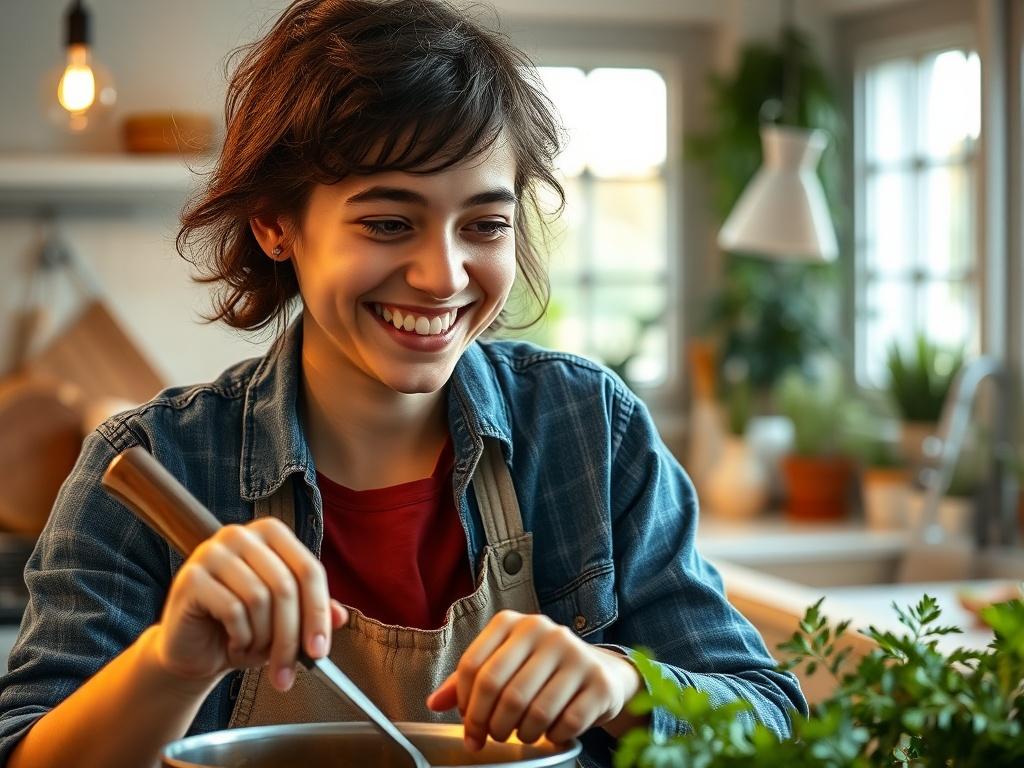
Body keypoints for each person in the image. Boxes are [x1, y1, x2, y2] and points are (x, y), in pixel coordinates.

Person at [0, 1, 807, 766]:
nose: (443, 275)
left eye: (485, 225)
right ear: (276, 224)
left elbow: (773, 721)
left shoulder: (588, 430)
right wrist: (172, 664)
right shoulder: (154, 463)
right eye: (388, 222)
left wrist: (622, 685)